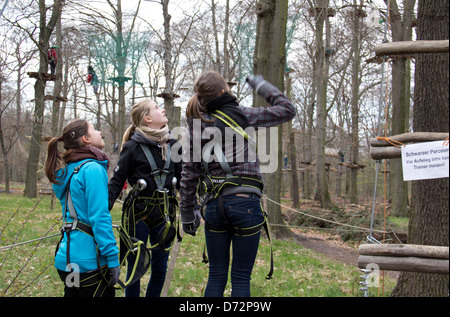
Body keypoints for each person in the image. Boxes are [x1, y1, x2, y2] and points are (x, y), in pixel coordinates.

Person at [180, 70, 296, 297]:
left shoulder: (194, 126)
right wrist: (260, 85)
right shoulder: (241, 114)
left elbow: (189, 174)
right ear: (223, 91)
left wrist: (187, 213)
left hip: (214, 206)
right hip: (245, 202)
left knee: (215, 276)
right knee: (241, 278)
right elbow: (287, 110)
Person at [108, 99, 181, 297]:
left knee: (160, 268)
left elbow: (183, 181)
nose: (163, 109)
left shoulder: (174, 146)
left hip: (164, 214)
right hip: (137, 213)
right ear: (147, 119)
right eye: (157, 108)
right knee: (136, 267)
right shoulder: (132, 147)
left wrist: (194, 207)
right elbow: (117, 181)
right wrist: (101, 211)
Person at [44, 119, 120, 297]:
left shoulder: (65, 170)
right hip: (89, 263)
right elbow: (99, 216)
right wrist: (112, 257)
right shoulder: (92, 169)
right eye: (94, 129)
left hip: (67, 260)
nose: (100, 132)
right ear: (85, 138)